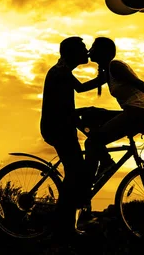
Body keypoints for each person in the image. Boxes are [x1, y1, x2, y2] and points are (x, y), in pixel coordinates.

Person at [40, 36, 105, 238]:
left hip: (61, 128)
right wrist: (103, 79)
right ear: (72, 53)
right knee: (75, 174)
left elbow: (70, 101)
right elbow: (81, 89)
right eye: (83, 48)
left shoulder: (62, 70)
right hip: (59, 129)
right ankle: (62, 222)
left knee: (75, 173)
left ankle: (67, 220)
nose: (86, 51)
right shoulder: (60, 72)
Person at [84, 36, 144, 184]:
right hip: (132, 113)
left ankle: (90, 178)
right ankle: (102, 160)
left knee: (92, 142)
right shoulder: (107, 72)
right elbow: (81, 88)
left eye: (94, 47)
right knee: (89, 114)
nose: (91, 50)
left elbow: (136, 82)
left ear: (102, 52)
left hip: (138, 114)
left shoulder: (115, 66)